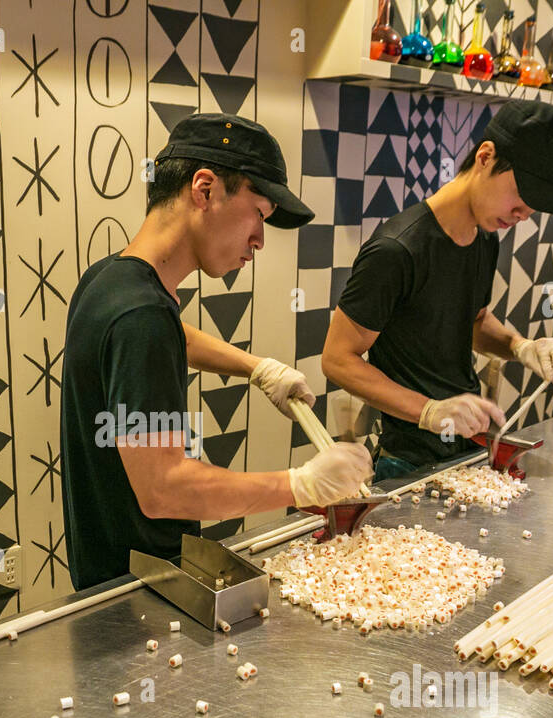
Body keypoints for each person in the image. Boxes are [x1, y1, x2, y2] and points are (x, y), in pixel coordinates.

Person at [60, 113, 374, 589]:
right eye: (259, 214)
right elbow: (164, 489)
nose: (260, 240)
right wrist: (299, 484)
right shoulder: (140, 317)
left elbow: (171, 335)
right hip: (134, 596)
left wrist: (256, 368)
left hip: (107, 570)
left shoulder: (111, 280)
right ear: (204, 190)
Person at [323, 101, 553, 479]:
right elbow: (337, 359)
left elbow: (474, 321)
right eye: (522, 195)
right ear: (485, 156)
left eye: (535, 206)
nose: (524, 213)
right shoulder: (398, 249)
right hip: (408, 460)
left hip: (466, 451)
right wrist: (430, 411)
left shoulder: (483, 236)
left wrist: (520, 346)